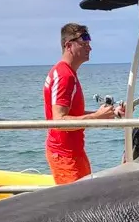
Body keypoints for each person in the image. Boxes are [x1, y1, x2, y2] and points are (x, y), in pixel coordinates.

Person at [42, 22, 120, 184]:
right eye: (84, 44)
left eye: (89, 44)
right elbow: (59, 121)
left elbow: (72, 114)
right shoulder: (64, 76)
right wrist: (97, 117)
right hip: (65, 155)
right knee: (76, 198)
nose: (89, 48)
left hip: (74, 152)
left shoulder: (68, 73)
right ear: (68, 46)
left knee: (87, 192)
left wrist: (104, 114)